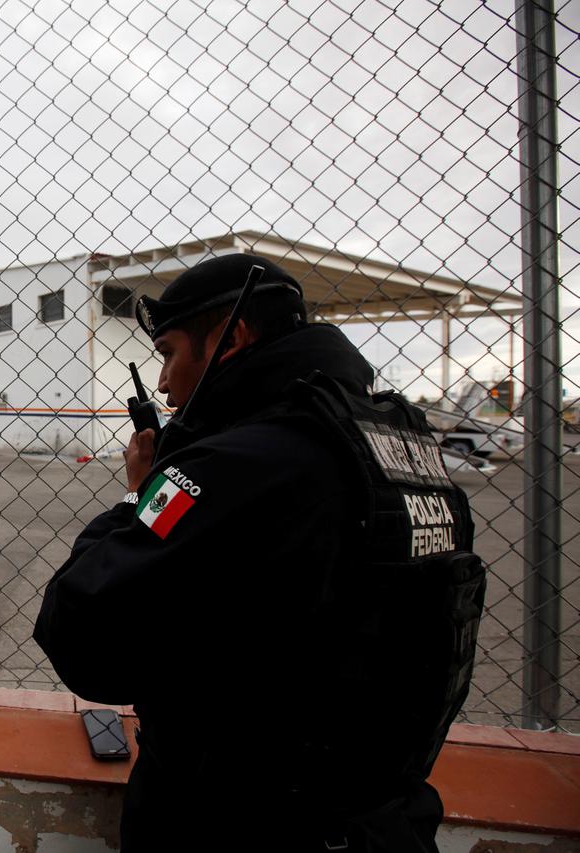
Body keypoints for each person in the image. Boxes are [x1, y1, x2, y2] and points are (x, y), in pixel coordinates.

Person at [34, 254, 485, 851]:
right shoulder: (398, 443)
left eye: (169, 353)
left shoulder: (244, 464)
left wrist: (141, 494)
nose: (164, 384)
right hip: (385, 817)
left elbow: (79, 627)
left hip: (240, 823)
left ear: (230, 337)